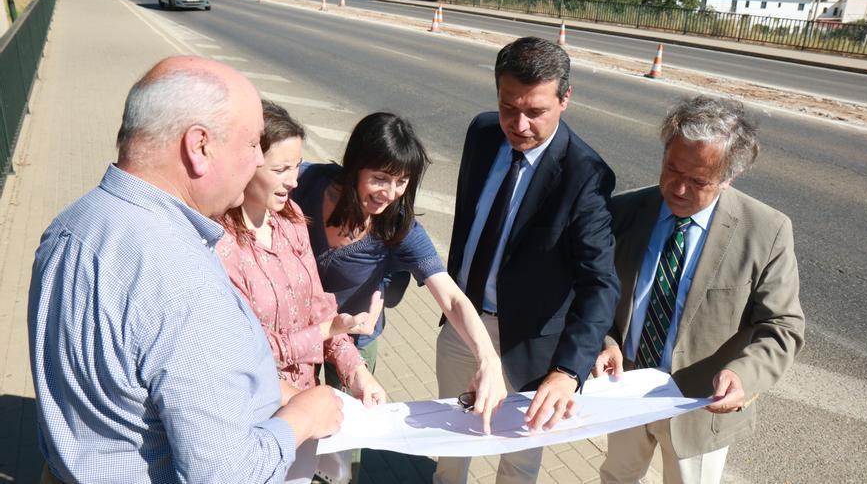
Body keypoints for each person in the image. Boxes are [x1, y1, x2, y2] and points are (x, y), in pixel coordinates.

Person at [27, 56, 342, 484]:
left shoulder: (70, 224)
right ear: (199, 147)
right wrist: (303, 418)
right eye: (252, 144)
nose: (255, 162)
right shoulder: (182, 279)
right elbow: (226, 473)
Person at [434, 36, 620, 484]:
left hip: (533, 346)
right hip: (465, 324)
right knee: (449, 440)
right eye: (508, 107)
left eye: (535, 111)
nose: (518, 125)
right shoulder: (482, 132)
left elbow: (600, 283)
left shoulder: (585, 175)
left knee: (519, 461)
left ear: (565, 98)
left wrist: (567, 372)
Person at [594, 95, 805, 484]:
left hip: (701, 406)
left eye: (698, 181)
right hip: (625, 390)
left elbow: (783, 325)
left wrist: (743, 375)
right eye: (671, 169)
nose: (677, 188)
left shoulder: (766, 230)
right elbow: (597, 294)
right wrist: (605, 341)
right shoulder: (624, 213)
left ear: (728, 178)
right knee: (617, 477)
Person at [292, 112, 507, 431]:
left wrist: (488, 360)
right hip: (297, 334)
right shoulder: (305, 184)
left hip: (354, 343)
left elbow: (451, 298)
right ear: (355, 166)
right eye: (380, 177)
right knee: (299, 422)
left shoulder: (397, 226)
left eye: (401, 181)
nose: (390, 193)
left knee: (345, 441)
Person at [216, 99, 386, 407]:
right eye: (280, 169)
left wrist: (358, 373)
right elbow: (244, 353)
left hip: (307, 400)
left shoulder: (290, 217)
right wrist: (324, 331)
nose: (294, 181)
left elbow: (319, 308)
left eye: (296, 166)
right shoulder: (220, 241)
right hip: (260, 412)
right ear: (246, 164)